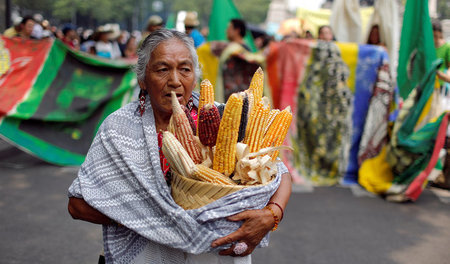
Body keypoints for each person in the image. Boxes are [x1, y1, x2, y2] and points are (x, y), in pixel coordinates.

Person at [68, 28, 291, 263]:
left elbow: (278, 171)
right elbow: (78, 205)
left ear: (194, 77)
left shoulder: (223, 116)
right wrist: (154, 218)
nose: (174, 81)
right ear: (142, 78)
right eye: (162, 70)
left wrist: (272, 214)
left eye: (184, 69)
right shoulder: (118, 129)